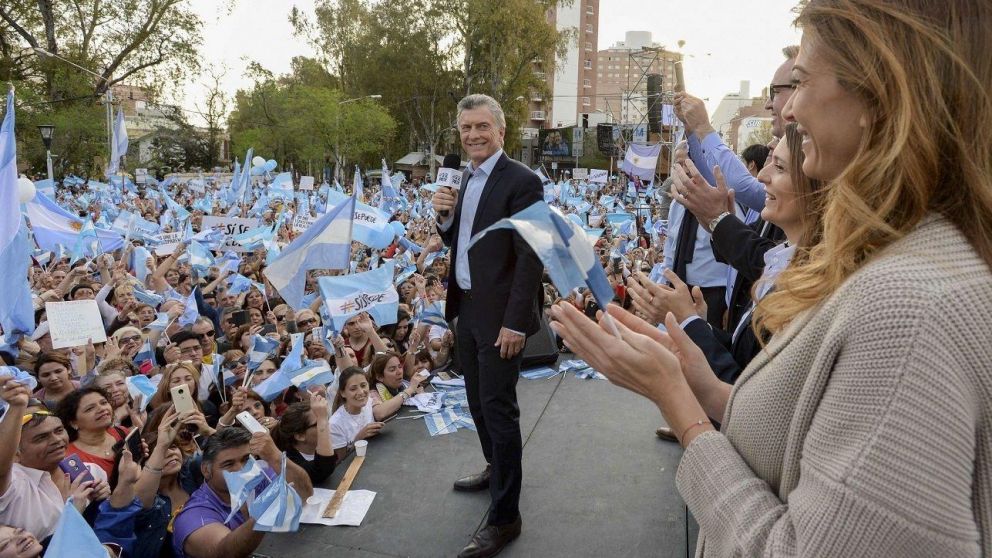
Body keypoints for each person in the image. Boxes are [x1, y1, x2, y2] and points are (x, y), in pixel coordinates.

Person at [550, 1, 992, 555]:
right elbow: (792, 438)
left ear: (880, 92)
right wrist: (691, 370)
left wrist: (679, 406)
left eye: (800, 81)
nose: (789, 112)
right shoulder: (903, 270)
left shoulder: (907, 308)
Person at [432, 93, 544, 557]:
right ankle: (493, 467)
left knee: (499, 410)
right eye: (465, 129)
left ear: (500, 131)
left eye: (482, 127)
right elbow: (456, 239)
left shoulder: (523, 180)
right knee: (476, 401)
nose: (473, 136)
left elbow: (530, 255)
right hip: (468, 310)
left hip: (502, 318)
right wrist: (443, 217)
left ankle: (505, 518)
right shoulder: (461, 180)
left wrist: (517, 323)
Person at [171, 427, 313, 558]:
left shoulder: (258, 476)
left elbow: (304, 494)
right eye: (229, 464)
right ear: (206, 470)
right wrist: (262, 515)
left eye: (246, 459)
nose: (242, 469)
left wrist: (275, 457)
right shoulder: (193, 515)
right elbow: (225, 552)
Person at [0, 375, 109, 539]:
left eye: (59, 431)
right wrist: (16, 407)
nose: (57, 440)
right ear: (16, 453)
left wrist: (103, 499)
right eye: (41, 438)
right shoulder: (13, 486)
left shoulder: (91, 472)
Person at [272, 395, 337, 485]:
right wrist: (322, 418)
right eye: (319, 422)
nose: (326, 425)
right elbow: (324, 467)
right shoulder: (291, 462)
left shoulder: (319, 444)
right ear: (300, 436)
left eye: (326, 419)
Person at [328, 367, 383, 461]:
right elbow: (341, 461)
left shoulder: (370, 402)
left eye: (363, 385)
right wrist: (359, 437)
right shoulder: (334, 424)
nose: (361, 392)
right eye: (353, 389)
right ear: (343, 393)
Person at [368, 351, 426, 420]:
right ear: (380, 377)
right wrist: (410, 390)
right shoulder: (372, 392)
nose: (399, 372)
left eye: (400, 367)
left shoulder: (403, 384)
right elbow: (379, 414)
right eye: (392, 370)